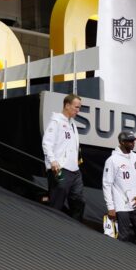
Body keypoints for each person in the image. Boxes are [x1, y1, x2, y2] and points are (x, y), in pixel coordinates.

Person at [42, 93, 85, 221]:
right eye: (76, 107)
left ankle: (76, 226)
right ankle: (51, 225)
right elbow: (47, 143)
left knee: (79, 201)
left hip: (74, 170)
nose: (78, 110)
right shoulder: (56, 121)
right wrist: (53, 161)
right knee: (57, 200)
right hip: (60, 169)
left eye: (79, 107)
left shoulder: (73, 124)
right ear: (67, 105)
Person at [102, 131, 136, 248]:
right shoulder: (112, 160)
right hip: (121, 204)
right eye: (130, 141)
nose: (133, 143)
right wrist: (110, 207)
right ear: (122, 142)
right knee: (123, 236)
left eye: (134, 141)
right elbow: (107, 184)